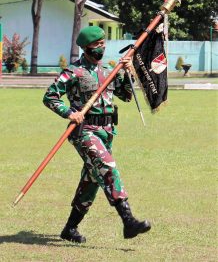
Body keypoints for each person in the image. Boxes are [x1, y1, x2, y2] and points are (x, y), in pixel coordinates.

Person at [43, 26, 151, 243]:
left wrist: (128, 72)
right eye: (97, 45)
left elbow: (126, 96)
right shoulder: (73, 72)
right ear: (85, 47)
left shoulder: (109, 70)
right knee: (107, 167)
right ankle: (128, 220)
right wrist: (69, 113)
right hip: (84, 132)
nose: (102, 48)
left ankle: (70, 229)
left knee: (92, 179)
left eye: (103, 44)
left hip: (107, 132)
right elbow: (50, 97)